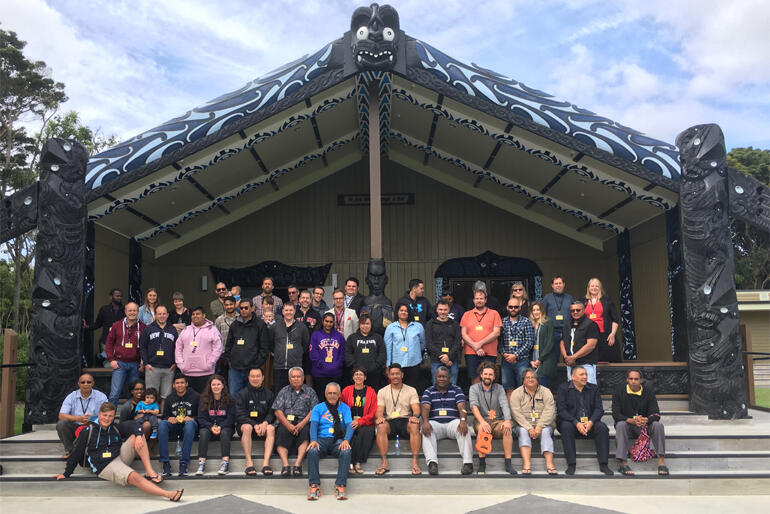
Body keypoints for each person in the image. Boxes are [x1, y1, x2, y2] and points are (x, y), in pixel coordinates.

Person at [55, 402, 182, 502]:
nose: (107, 418)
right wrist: (66, 473)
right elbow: (76, 454)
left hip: (119, 456)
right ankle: (168, 494)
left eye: (110, 416)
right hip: (105, 466)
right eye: (104, 415)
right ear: (99, 415)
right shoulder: (88, 431)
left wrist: (138, 435)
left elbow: (134, 424)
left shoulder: (115, 428)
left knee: (137, 436)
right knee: (135, 476)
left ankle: (149, 471)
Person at [556, 366, 613, 475]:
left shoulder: (593, 388)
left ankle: (603, 464)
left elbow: (599, 409)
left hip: (589, 423)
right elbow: (561, 410)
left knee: (602, 428)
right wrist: (576, 423)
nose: (585, 377)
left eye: (586, 374)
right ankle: (571, 464)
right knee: (566, 427)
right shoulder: (563, 388)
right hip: (571, 422)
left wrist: (591, 422)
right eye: (581, 374)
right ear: (573, 377)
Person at [611, 370, 668, 476]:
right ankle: (623, 464)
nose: (633, 381)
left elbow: (656, 413)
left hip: (644, 427)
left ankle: (661, 462)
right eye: (631, 379)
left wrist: (646, 420)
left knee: (658, 426)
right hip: (628, 426)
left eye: (636, 379)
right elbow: (615, 414)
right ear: (627, 380)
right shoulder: (619, 391)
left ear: (641, 380)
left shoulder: (648, 392)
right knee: (620, 424)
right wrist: (630, 420)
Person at [420, 366, 473, 475]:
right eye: (439, 376)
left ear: (449, 377)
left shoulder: (456, 389)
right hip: (436, 424)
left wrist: (463, 420)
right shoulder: (428, 391)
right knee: (425, 429)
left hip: (452, 423)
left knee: (464, 427)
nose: (441, 379)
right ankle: (432, 463)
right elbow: (425, 407)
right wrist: (425, 421)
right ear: (435, 377)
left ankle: (468, 463)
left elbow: (462, 406)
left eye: (444, 376)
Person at [306, 382, 354, 501]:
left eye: (335, 393)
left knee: (346, 451)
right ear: (325, 394)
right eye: (329, 393)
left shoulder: (345, 408)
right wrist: (313, 440)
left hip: (337, 440)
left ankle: (340, 485)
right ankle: (314, 486)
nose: (332, 396)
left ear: (339, 394)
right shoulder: (318, 408)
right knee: (312, 450)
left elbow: (350, 426)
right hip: (321, 440)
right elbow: (313, 425)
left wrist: (346, 440)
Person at [374, 364, 422, 476]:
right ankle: (384, 463)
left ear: (402, 375)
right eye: (392, 374)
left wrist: (415, 416)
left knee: (415, 425)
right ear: (389, 375)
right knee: (381, 426)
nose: (395, 376)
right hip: (390, 422)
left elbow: (416, 408)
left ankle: (415, 463)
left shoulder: (411, 390)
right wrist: (380, 417)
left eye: (397, 373)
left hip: (406, 420)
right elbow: (379, 410)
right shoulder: (382, 391)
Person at [468, 362, 515, 475]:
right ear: (481, 375)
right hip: (481, 420)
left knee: (507, 428)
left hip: (497, 421)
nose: (487, 376)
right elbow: (474, 407)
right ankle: (482, 463)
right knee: (482, 429)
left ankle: (508, 463)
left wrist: (507, 420)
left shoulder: (499, 388)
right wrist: (482, 422)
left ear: (494, 377)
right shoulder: (474, 388)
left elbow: (504, 404)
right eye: (485, 374)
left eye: (490, 374)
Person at [273, 367, 318, 477]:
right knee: (281, 431)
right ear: (289, 378)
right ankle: (285, 465)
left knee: (306, 431)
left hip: (303, 422)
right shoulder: (283, 391)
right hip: (286, 422)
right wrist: (288, 425)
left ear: (303, 378)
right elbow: (277, 411)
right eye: (293, 376)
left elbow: (314, 410)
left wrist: (301, 424)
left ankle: (298, 464)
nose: (296, 379)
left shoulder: (310, 391)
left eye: (298, 376)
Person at [510, 369, 557, 475]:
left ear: (537, 380)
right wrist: (529, 428)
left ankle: (550, 464)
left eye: (533, 377)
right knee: (522, 431)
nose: (531, 379)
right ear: (523, 380)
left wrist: (539, 426)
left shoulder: (546, 391)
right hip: (523, 425)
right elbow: (516, 413)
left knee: (545, 432)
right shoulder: (516, 393)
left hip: (544, 425)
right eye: (528, 377)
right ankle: (527, 464)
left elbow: (550, 411)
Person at [223, 298, 271, 396]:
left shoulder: (260, 324)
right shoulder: (234, 325)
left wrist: (256, 365)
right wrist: (230, 360)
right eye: (241, 308)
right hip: (235, 369)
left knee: (252, 396)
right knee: (234, 395)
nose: (243, 310)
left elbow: (264, 348)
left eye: (246, 308)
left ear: (252, 308)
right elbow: (228, 345)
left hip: (252, 369)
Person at [235, 367, 276, 476]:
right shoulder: (242, 394)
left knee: (271, 428)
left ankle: (266, 463)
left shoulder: (269, 394)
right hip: (247, 426)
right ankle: (249, 463)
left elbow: (272, 413)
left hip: (263, 426)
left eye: (258, 376)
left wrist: (265, 423)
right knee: (247, 427)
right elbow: (240, 415)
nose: (255, 378)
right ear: (248, 378)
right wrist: (254, 425)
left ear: (263, 378)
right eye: (252, 376)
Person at [57, 373, 108, 458]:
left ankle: (80, 451)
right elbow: (61, 415)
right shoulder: (71, 396)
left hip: (93, 426)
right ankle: (70, 451)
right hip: (76, 426)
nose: (86, 384)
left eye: (89, 382)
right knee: (61, 424)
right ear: (79, 384)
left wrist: (92, 418)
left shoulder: (101, 396)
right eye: (83, 382)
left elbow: (108, 415)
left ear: (93, 383)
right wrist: (79, 418)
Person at [158, 374, 200, 477]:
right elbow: (164, 416)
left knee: (190, 424)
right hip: (175, 427)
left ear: (186, 384)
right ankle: (166, 463)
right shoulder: (169, 398)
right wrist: (169, 418)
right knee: (162, 424)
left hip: (190, 428)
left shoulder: (196, 396)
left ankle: (183, 463)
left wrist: (192, 418)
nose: (180, 385)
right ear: (173, 385)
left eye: (182, 383)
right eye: (177, 383)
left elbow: (202, 416)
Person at [105, 302, 145, 406]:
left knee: (134, 395)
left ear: (138, 312)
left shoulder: (143, 327)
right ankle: (110, 420)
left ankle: (133, 420)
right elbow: (109, 343)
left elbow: (145, 346)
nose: (132, 313)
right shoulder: (117, 325)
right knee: (114, 394)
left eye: (134, 310)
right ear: (125, 312)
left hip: (135, 365)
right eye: (130, 310)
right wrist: (111, 360)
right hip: (119, 364)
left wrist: (142, 362)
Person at [459, 287, 502, 384]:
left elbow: (496, 332)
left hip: (489, 353)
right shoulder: (466, 314)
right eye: (477, 299)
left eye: (481, 298)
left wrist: (479, 344)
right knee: (474, 378)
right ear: (473, 300)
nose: (479, 301)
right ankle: (476, 399)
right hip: (471, 353)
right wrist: (475, 347)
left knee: (489, 378)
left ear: (485, 300)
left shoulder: (494, 314)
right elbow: (463, 333)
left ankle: (488, 399)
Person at [175, 306, 222, 393]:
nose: (195, 316)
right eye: (193, 314)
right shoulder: (186, 330)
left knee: (204, 400)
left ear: (204, 315)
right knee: (190, 401)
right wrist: (181, 364)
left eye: (198, 314)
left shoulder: (212, 330)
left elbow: (218, 348)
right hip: (187, 373)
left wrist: (210, 363)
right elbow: (178, 347)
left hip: (206, 373)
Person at [195, 375, 236, 475]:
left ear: (223, 386)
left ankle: (225, 463)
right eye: (213, 384)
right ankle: (201, 463)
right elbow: (201, 418)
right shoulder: (204, 399)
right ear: (210, 386)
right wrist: (210, 427)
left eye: (218, 384)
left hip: (225, 427)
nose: (216, 387)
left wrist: (220, 426)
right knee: (203, 432)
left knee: (225, 433)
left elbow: (231, 418)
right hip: (209, 427)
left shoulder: (230, 400)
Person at [340, 367, 377, 474]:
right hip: (349, 422)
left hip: (365, 423)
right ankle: (350, 463)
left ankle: (357, 462)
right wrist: (349, 421)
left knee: (365, 432)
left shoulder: (371, 391)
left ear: (365, 377)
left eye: (361, 374)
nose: (358, 376)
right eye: (356, 374)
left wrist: (360, 422)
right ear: (352, 377)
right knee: (351, 434)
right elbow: (341, 407)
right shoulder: (346, 390)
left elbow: (373, 412)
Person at [139, 304, 178, 403]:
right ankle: (152, 416)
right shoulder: (148, 328)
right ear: (155, 315)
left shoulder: (172, 329)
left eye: (164, 313)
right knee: (151, 396)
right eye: (159, 313)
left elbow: (178, 347)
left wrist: (175, 362)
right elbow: (142, 346)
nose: (162, 316)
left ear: (167, 315)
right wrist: (146, 363)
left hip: (169, 368)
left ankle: (163, 416)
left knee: (166, 395)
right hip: (152, 367)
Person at [384, 302, 426, 390]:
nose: (403, 312)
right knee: (398, 389)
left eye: (406, 311)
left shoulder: (418, 326)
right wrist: (388, 365)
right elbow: (388, 347)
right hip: (397, 364)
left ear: (409, 313)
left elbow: (422, 343)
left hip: (414, 363)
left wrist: (416, 352)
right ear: (397, 312)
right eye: (401, 310)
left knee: (413, 389)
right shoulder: (391, 327)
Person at [272, 302, 310, 393]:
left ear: (294, 311)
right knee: (279, 392)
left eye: (291, 310)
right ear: (282, 312)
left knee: (295, 392)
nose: (288, 312)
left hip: (295, 367)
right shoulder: (275, 326)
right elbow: (270, 343)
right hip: (279, 366)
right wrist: (278, 352)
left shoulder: (301, 327)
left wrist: (297, 353)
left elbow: (305, 344)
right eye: (286, 310)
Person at [560, 300, 600, 384]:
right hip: (570, 364)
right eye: (572, 310)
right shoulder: (567, 325)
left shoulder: (591, 324)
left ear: (583, 310)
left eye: (578, 310)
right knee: (572, 391)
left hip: (586, 364)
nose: (575, 312)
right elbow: (562, 342)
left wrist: (573, 357)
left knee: (588, 390)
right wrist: (566, 357)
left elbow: (591, 345)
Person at [344, 313, 387, 391]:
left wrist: (375, 367)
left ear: (371, 324)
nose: (365, 326)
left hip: (374, 374)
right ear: (359, 325)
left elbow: (382, 354)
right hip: (357, 375)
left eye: (367, 323)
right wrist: (357, 368)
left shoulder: (378, 338)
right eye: (362, 323)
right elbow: (347, 354)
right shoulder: (352, 338)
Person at [500, 296, 535, 392]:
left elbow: (529, 342)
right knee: (508, 388)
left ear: (519, 308)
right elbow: (499, 341)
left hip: (522, 361)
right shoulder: (502, 322)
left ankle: (523, 407)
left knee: (524, 388)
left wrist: (515, 355)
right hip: (506, 361)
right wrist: (504, 354)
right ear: (507, 307)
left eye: (515, 307)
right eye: (511, 307)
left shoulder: (526, 321)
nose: (513, 309)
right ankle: (510, 408)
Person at [83, 288, 124, 366]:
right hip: (106, 341)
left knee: (119, 362)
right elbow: (98, 324)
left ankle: (100, 356)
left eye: (121, 296)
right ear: (111, 297)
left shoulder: (125, 310)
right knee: (108, 363)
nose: (119, 298)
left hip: (120, 341)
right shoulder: (104, 309)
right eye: (117, 296)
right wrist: (87, 327)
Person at [309, 312, 346, 400]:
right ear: (322, 321)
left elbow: (342, 353)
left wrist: (336, 366)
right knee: (321, 398)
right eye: (326, 321)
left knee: (334, 399)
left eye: (331, 322)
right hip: (319, 374)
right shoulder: (315, 335)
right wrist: (323, 366)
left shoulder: (339, 336)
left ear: (334, 323)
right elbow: (313, 354)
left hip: (335, 374)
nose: (328, 324)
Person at [425, 299, 462, 385]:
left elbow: (457, 342)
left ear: (449, 310)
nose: (443, 312)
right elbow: (429, 343)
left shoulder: (455, 324)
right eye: (440, 309)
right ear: (437, 310)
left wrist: (448, 356)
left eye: (445, 310)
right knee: (436, 385)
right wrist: (443, 357)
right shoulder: (430, 324)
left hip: (452, 360)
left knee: (452, 386)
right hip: (436, 360)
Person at [584, 277, 621, 363]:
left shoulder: (607, 300)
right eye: (592, 286)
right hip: (588, 335)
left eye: (597, 286)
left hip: (604, 334)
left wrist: (612, 334)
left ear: (600, 288)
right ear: (588, 288)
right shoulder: (582, 301)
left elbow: (615, 319)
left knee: (607, 359)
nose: (594, 288)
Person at [360, 258, 394, 336]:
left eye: (380, 276)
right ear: (367, 280)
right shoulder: (363, 301)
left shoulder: (387, 302)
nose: (376, 281)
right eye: (373, 276)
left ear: (386, 279)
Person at [542, 275, 572, 356]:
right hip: (552, 331)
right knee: (554, 356)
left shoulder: (569, 298)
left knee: (569, 355)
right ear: (552, 285)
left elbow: (574, 314)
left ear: (564, 284)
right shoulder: (547, 298)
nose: (558, 285)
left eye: (560, 283)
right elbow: (542, 314)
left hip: (567, 331)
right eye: (556, 283)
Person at [529, 301, 556, 387]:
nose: (536, 312)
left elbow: (550, 343)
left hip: (544, 361)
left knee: (542, 388)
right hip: (533, 361)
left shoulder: (548, 322)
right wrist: (531, 361)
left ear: (542, 311)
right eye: (533, 310)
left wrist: (540, 359)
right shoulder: (530, 324)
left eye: (538, 310)